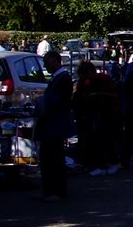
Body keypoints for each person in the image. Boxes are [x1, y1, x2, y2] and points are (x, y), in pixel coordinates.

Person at [35, 51, 73, 201]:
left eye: (47, 62)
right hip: (52, 122)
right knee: (48, 156)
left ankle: (57, 191)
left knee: (54, 157)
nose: (45, 65)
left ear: (54, 61)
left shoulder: (62, 78)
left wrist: (41, 102)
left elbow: (57, 101)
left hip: (55, 123)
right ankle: (48, 190)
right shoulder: (58, 78)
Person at [73, 61, 120, 176]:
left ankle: (111, 163)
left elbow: (111, 98)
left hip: (105, 115)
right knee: (95, 140)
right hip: (92, 115)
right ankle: (100, 164)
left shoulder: (101, 80)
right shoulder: (86, 82)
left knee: (105, 140)